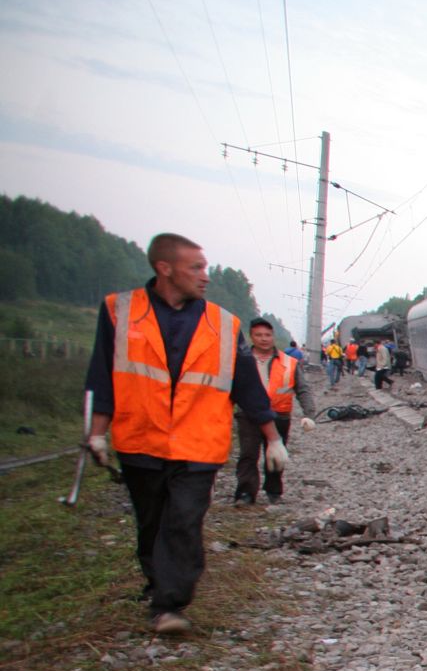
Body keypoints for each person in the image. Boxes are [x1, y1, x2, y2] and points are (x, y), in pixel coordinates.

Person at [83, 233, 286, 636]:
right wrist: (97, 434)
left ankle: (169, 605)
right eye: (196, 268)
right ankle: (158, 583)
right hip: (141, 439)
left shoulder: (223, 324)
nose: (205, 276)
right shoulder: (119, 312)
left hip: (199, 444)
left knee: (184, 520)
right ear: (165, 268)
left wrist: (272, 437)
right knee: (152, 522)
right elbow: (101, 375)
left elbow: (246, 386)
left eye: (205, 267)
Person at [233, 318, 317, 506]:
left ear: (273, 337)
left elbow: (302, 389)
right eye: (259, 335)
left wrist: (309, 413)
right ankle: (245, 493)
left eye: (267, 335)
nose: (264, 339)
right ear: (251, 337)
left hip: (279, 415)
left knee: (276, 455)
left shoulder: (289, 363)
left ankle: (273, 490)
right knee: (248, 454)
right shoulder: (240, 359)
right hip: (248, 415)